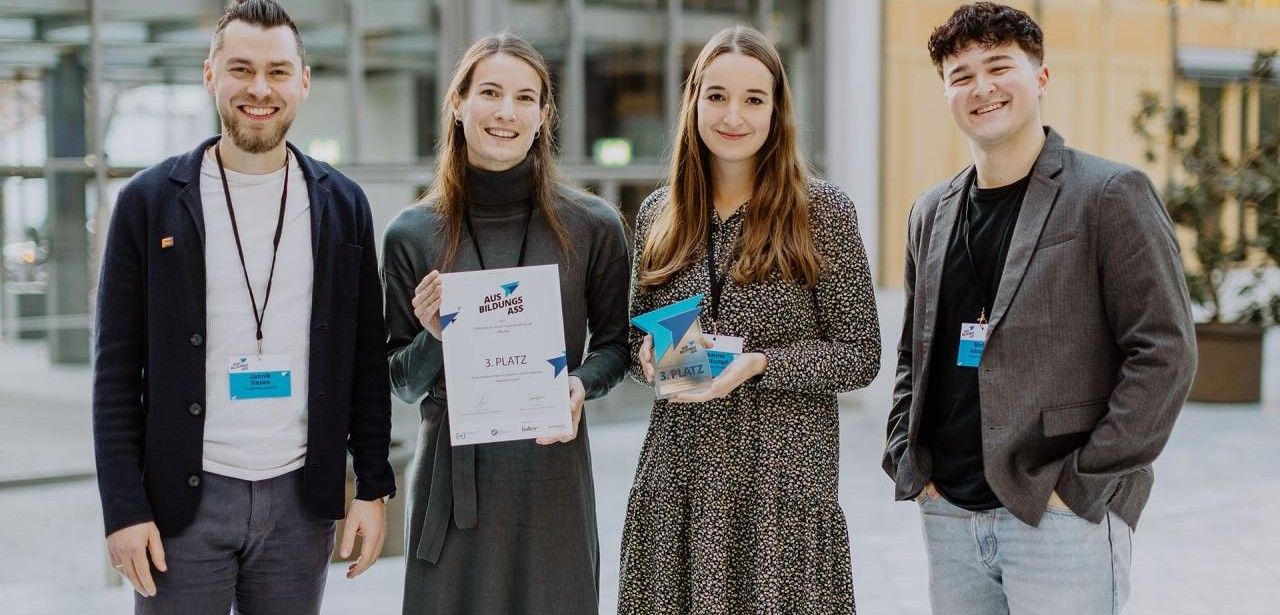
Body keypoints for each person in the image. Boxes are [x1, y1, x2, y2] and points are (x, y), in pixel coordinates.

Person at [881, 3, 1197, 613]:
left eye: (999, 67)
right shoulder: (929, 212)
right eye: (961, 75)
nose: (982, 87)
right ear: (946, 93)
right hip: (949, 512)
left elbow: (1165, 352)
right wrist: (909, 460)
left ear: (1041, 78)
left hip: (1059, 515)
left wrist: (1081, 484)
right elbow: (912, 355)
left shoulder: (1109, 194)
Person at [92, 1, 395, 613]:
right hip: (182, 505)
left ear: (303, 82)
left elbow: (366, 359)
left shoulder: (343, 205)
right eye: (241, 69)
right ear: (211, 75)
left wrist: (373, 486)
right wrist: (123, 509)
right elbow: (115, 373)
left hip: (301, 504)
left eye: (278, 71)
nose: (260, 89)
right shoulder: (148, 202)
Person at [618, 25, 881, 614]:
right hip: (680, 482)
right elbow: (639, 333)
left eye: (753, 99)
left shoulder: (822, 211)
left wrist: (760, 364)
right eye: (717, 96)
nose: (732, 115)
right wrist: (647, 355)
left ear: (776, 111)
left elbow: (860, 355)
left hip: (780, 491)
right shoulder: (660, 214)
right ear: (694, 102)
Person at [382, 33, 630, 614]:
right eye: (490, 93)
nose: (506, 113)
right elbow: (400, 382)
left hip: (550, 477)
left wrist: (579, 385)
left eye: (524, 98)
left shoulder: (593, 225)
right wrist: (434, 337)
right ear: (457, 103)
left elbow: (616, 347)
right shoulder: (411, 233)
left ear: (543, 116)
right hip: (451, 484)